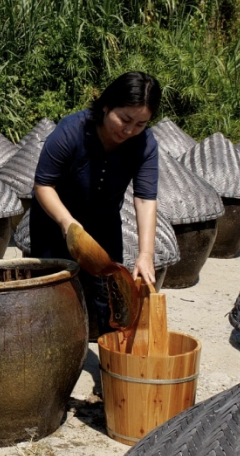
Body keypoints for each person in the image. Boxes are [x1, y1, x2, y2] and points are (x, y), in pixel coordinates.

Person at [30, 71, 160, 336]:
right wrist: (67, 223)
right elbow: (44, 185)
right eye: (124, 119)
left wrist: (145, 254)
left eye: (140, 124)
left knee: (109, 294)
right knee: (54, 294)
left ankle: (106, 354)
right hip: (55, 223)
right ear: (106, 105)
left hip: (104, 224)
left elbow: (145, 199)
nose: (129, 130)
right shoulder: (72, 131)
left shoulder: (145, 145)